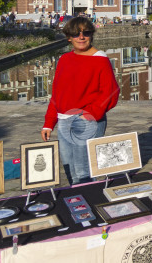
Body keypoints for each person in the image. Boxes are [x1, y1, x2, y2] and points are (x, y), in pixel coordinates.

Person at [41, 17, 119, 185]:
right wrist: (49, 122)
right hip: (64, 121)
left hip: (87, 121)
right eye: (76, 34)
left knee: (84, 171)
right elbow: (57, 94)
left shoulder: (100, 60)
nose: (81, 37)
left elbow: (111, 92)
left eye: (86, 33)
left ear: (92, 35)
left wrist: (90, 113)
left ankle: (88, 205)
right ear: (69, 37)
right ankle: (78, 204)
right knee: (69, 168)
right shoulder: (64, 60)